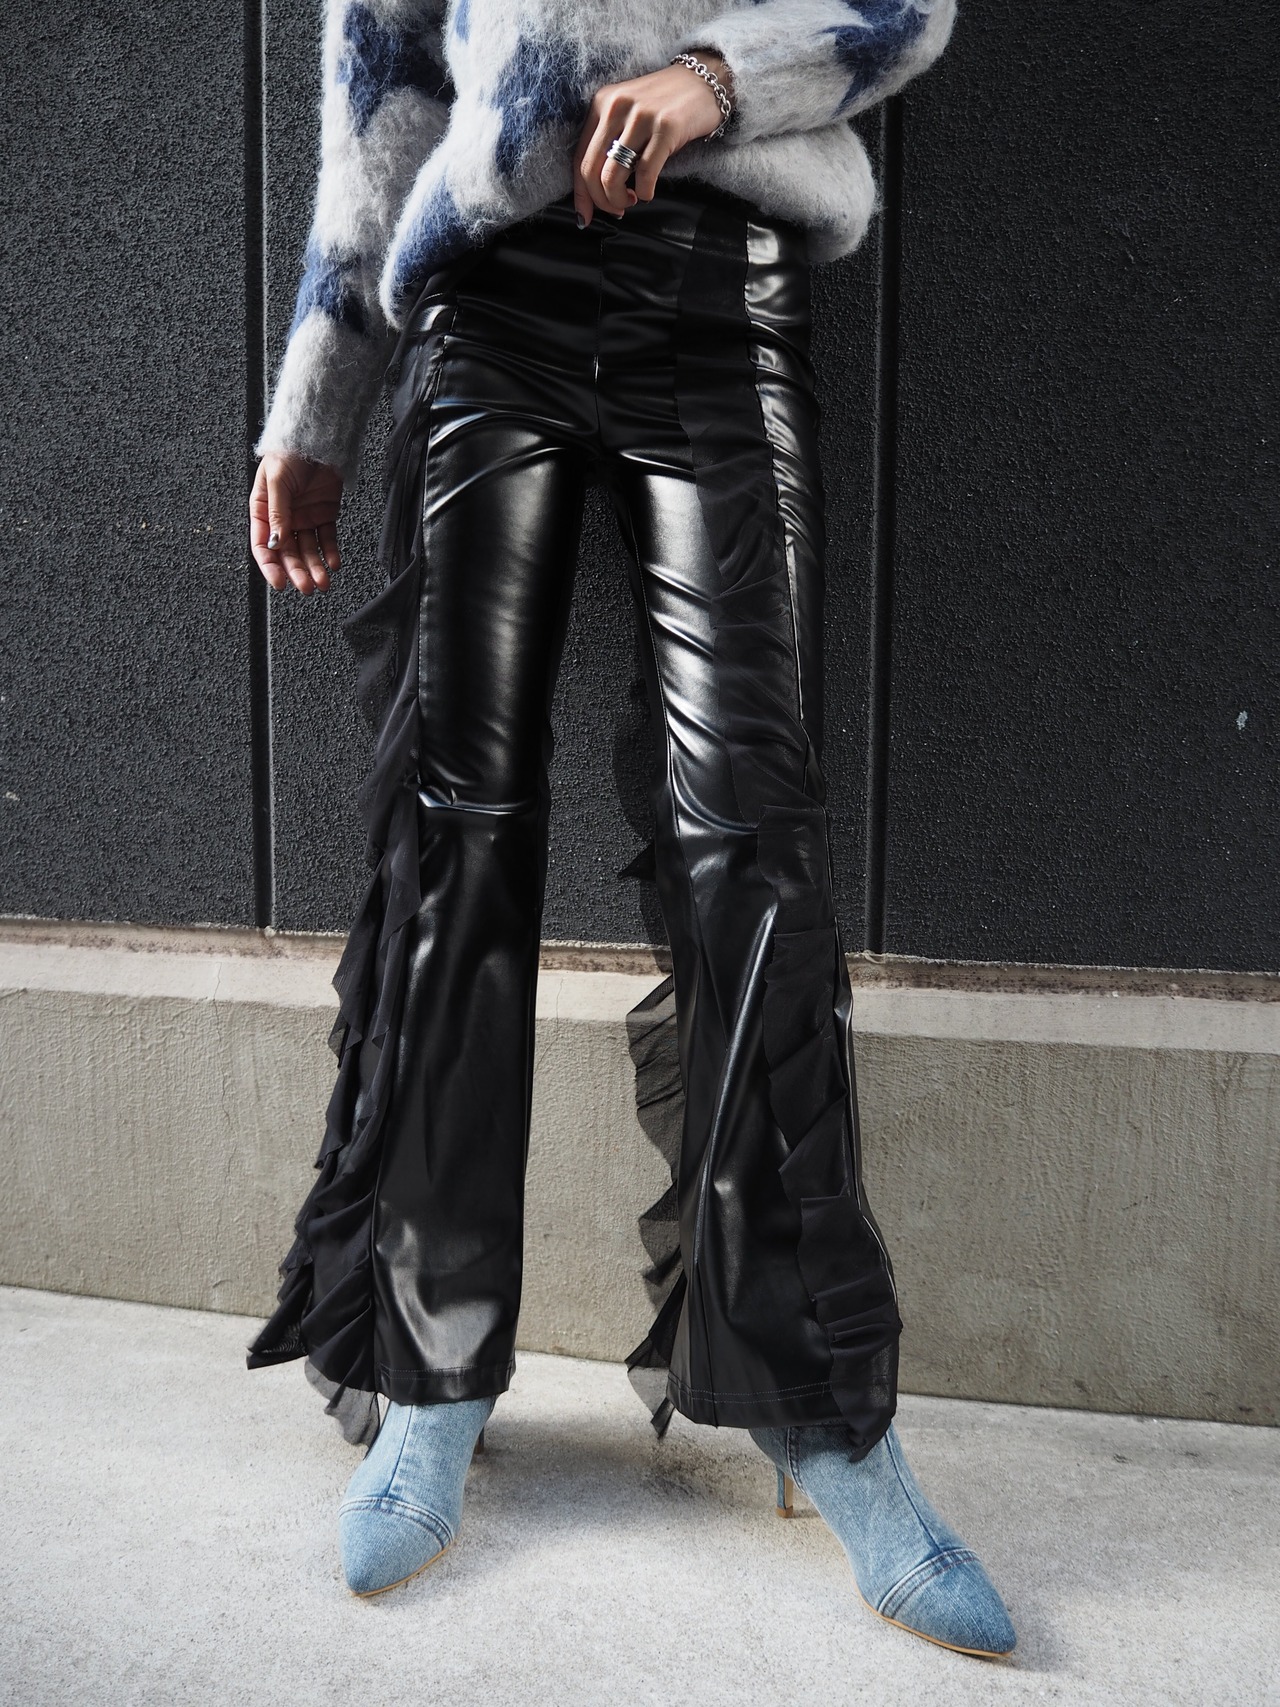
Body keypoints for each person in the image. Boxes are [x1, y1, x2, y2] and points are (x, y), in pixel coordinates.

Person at [245, 0, 1016, 1657]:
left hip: (720, 295)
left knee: (753, 842)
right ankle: (432, 1369)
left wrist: (718, 79)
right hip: (487, 305)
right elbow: (381, 92)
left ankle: (823, 1409)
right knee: (456, 839)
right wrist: (316, 406)